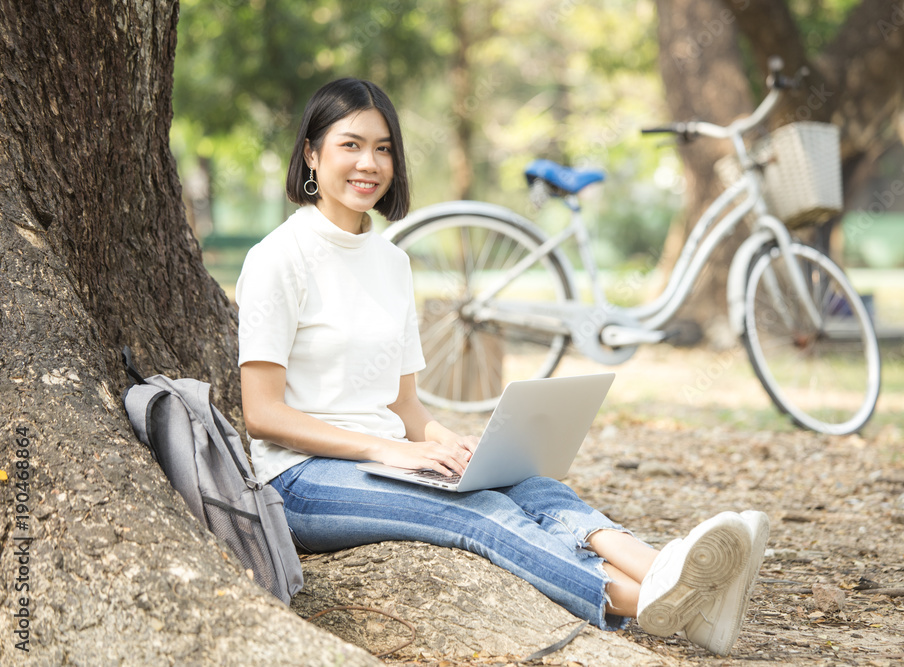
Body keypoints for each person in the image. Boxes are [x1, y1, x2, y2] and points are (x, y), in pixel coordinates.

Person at [235, 77, 769, 657]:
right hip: (303, 479)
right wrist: (385, 450)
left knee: (529, 485)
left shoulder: (391, 262)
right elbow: (262, 415)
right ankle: (651, 602)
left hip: (384, 461)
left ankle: (666, 567)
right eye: (351, 145)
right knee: (480, 511)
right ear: (312, 153)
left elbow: (403, 407)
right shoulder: (277, 259)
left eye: (384, 148)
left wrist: (453, 444)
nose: (370, 163)